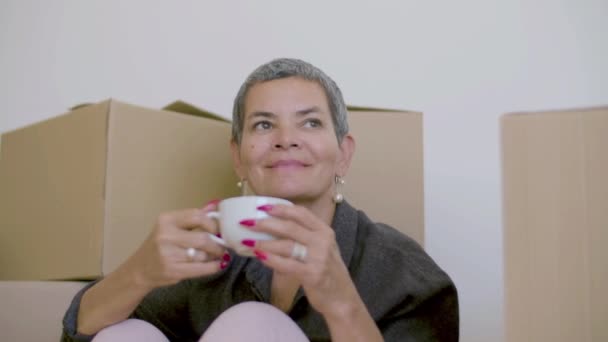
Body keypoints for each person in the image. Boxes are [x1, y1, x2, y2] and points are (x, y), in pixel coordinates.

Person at [62, 58, 459, 342]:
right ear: (238, 157)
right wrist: (140, 271)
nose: (286, 138)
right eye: (264, 124)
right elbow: (83, 331)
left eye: (310, 122)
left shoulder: (407, 277)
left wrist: (341, 304)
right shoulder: (213, 254)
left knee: (253, 323)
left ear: (343, 154)